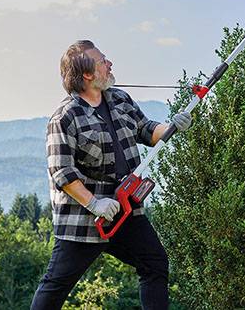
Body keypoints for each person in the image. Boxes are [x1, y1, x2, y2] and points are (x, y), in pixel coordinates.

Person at [30, 40, 191, 310]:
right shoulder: (64, 118)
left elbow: (146, 130)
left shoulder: (119, 99)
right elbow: (61, 172)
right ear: (88, 75)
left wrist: (173, 126)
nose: (110, 63)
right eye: (102, 60)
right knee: (55, 287)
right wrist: (94, 203)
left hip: (126, 208)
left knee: (154, 263)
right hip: (84, 219)